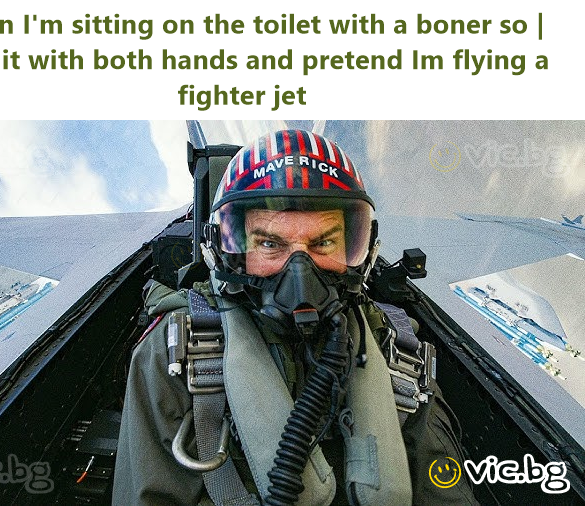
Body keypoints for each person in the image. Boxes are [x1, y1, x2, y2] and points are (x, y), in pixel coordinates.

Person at [112, 130, 477, 505]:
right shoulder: (178, 352)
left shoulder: (396, 350)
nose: (300, 275)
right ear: (227, 252)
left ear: (360, 247)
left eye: (324, 242)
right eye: (270, 243)